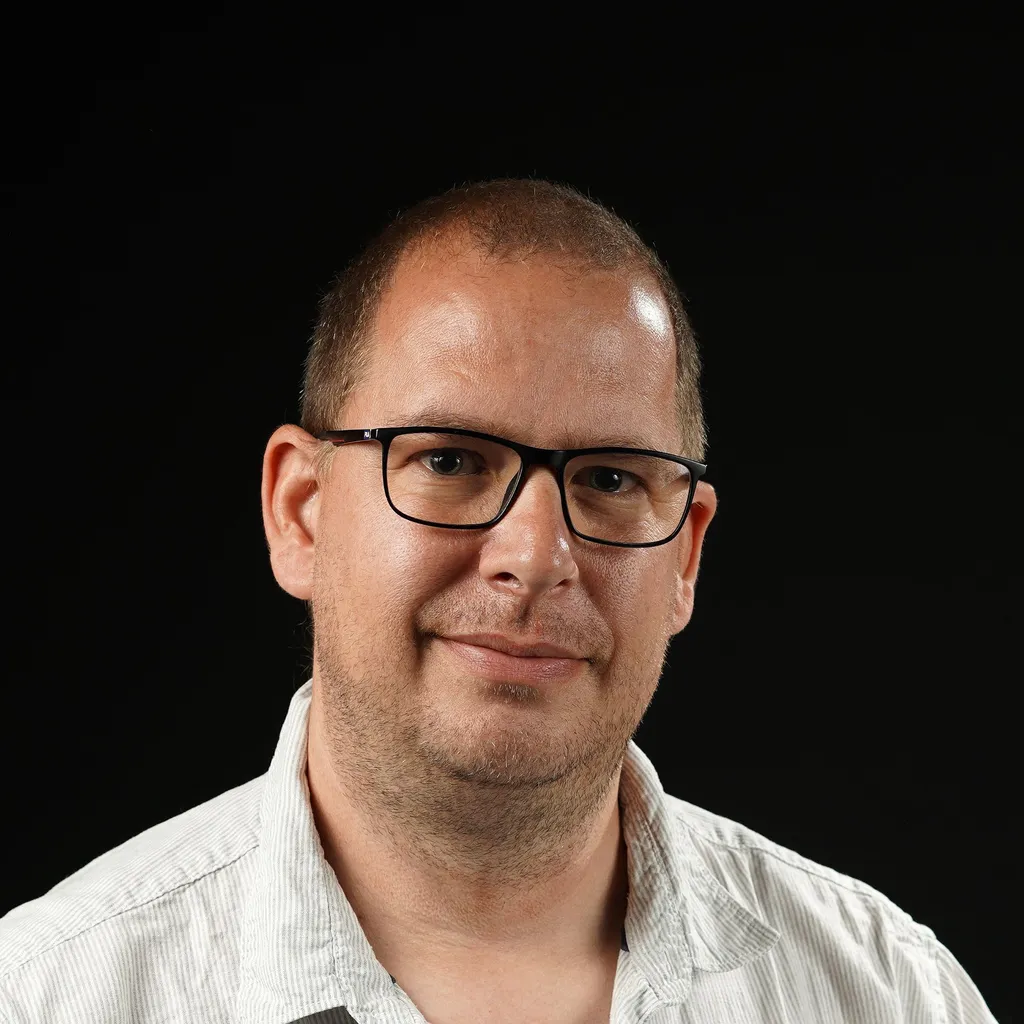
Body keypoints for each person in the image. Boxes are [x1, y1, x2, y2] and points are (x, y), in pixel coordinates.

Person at [0, 179, 996, 1024]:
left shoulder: (890, 995)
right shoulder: (50, 994)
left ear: (685, 555)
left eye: (609, 478)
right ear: (300, 512)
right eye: (448, 459)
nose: (534, 554)